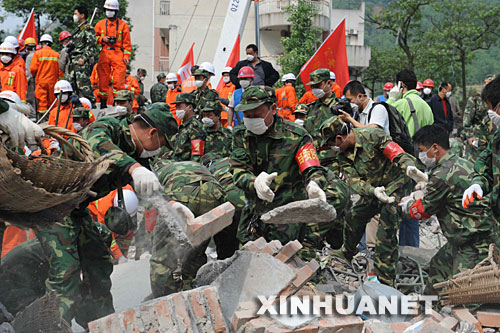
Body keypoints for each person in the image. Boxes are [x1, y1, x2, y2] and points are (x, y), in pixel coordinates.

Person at [37, 104, 175, 327]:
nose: (160, 149)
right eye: (162, 143)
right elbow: (100, 147)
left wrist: (174, 206)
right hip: (53, 208)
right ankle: (49, 328)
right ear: (152, 133)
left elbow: (151, 191)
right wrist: (133, 169)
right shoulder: (107, 128)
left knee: (99, 266)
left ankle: (99, 324)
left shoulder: (136, 157)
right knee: (66, 275)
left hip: (77, 212)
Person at [230, 86, 349, 255]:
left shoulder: (297, 136)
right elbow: (238, 169)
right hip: (256, 210)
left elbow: (312, 167)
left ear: (272, 108)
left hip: (287, 214)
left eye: (255, 114)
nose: (250, 119)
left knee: (283, 259)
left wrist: (313, 184)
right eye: (246, 115)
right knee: (247, 260)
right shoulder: (240, 134)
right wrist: (254, 182)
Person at [321, 116, 427, 286]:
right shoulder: (342, 155)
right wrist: (373, 191)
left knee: (386, 232)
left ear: (339, 138)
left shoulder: (373, 135)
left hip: (396, 186)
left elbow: (395, 152)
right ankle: (347, 253)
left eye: (331, 143)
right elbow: (352, 180)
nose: (330, 148)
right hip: (375, 190)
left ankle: (386, 282)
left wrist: (409, 167)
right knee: (355, 215)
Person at [400, 125, 499, 294]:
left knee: (465, 293)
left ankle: (464, 317)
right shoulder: (462, 162)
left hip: (475, 243)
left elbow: (423, 211)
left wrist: (407, 204)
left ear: (435, 148)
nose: (421, 156)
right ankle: (431, 310)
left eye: (422, 150)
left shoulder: (442, 174)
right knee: (439, 266)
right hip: (464, 239)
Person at [149, 159, 226, 298]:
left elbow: (151, 215)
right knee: (195, 253)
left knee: (162, 260)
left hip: (182, 193)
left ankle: (164, 301)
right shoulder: (185, 164)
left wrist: (156, 240)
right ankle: (194, 294)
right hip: (215, 193)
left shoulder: (154, 174)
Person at [464, 76, 500, 222]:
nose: (491, 113)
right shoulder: (497, 137)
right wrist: (479, 183)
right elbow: (486, 164)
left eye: (493, 108)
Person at [94, 0, 132, 106]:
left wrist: (126, 56)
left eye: (111, 10)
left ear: (115, 11)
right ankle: (102, 102)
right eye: (107, 9)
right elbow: (93, 38)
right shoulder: (100, 24)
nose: (109, 12)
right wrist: (102, 39)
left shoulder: (123, 25)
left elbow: (127, 43)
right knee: (102, 77)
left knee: (119, 79)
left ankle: (118, 102)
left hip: (118, 53)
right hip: (105, 52)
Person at [387, 69, 434, 137]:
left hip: (403, 147)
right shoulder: (426, 106)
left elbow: (382, 118)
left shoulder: (399, 104)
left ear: (401, 85)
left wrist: (391, 99)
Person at [66, 5, 98, 104]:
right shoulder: (78, 29)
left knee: (83, 86)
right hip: (73, 62)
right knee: (72, 87)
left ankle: (92, 105)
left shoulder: (87, 28)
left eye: (76, 14)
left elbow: (92, 46)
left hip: (80, 62)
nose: (74, 16)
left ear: (82, 15)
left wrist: (84, 58)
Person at [303, 68, 339, 147]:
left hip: (331, 157)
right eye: (313, 86)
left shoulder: (338, 107)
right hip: (312, 156)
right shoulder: (311, 108)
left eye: (318, 85)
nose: (315, 89)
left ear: (329, 83)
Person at [30, 34, 62, 115]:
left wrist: (34, 75)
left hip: (41, 81)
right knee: (53, 102)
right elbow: (60, 71)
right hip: (53, 83)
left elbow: (33, 69)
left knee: (42, 102)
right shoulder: (56, 55)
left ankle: (43, 119)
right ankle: (53, 119)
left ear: (42, 43)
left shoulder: (37, 54)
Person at [171, 92, 207, 162]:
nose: (177, 110)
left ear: (190, 107)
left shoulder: (195, 127)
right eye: (176, 107)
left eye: (180, 106)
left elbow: (196, 156)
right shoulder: (184, 125)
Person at [24, 37, 37, 109]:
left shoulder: (29, 57)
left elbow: (28, 72)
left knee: (31, 100)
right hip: (38, 79)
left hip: (31, 81)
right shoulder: (38, 54)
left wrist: (25, 82)